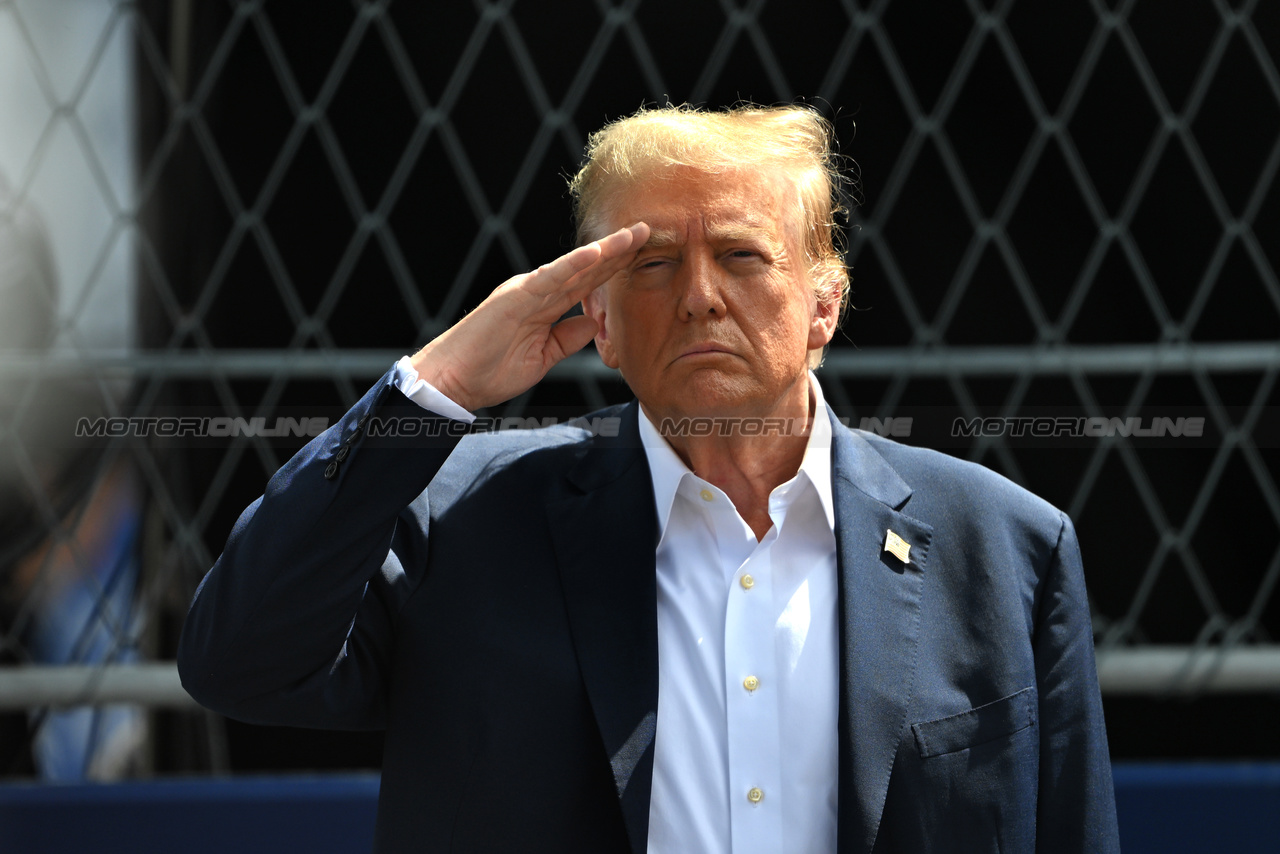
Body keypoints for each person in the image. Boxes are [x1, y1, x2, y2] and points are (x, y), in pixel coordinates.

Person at [178, 104, 1120, 853]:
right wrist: (438, 387)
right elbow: (240, 662)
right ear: (599, 319)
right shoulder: (462, 516)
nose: (701, 294)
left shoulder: (1008, 550)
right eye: (654, 263)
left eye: (743, 255)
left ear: (823, 306)